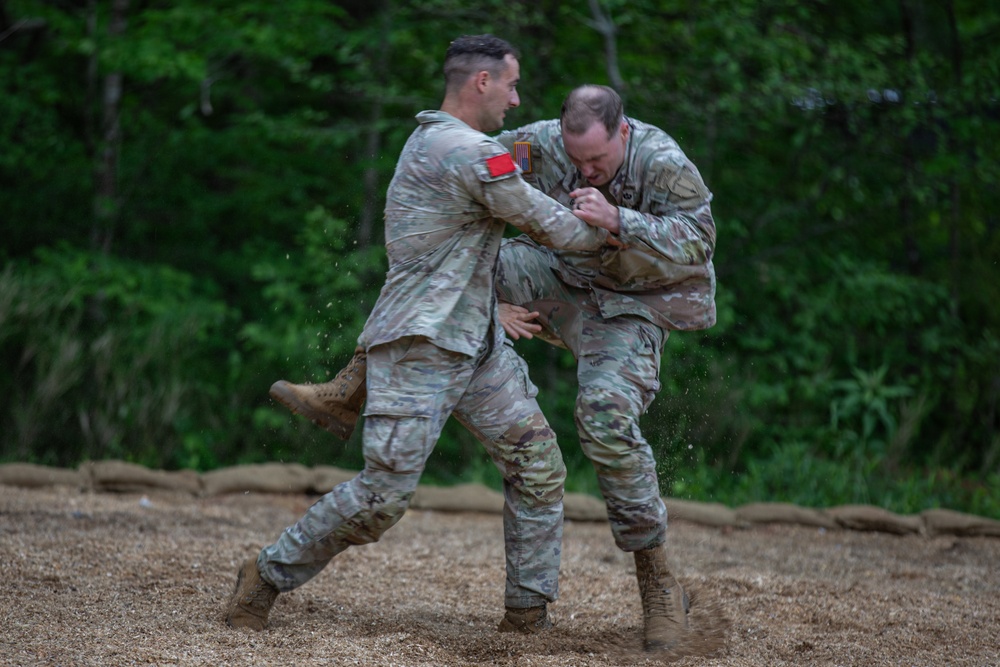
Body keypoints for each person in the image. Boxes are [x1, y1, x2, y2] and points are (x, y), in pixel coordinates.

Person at [271, 85, 717, 651]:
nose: (587, 171)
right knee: (448, 266)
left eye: (598, 162)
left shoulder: (662, 160)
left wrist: (621, 219)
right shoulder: (534, 144)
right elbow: (470, 176)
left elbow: (701, 241)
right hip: (561, 273)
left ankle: (658, 582)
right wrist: (483, 299)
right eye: (577, 160)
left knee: (603, 419)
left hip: (632, 305)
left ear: (623, 134)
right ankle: (347, 388)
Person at [224, 35, 612, 634]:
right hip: (421, 347)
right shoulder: (461, 150)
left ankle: (526, 614)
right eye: (510, 84)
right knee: (383, 499)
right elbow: (548, 224)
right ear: (480, 82)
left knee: (538, 467)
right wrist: (620, 232)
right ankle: (267, 573)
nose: (516, 97)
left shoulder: (449, 143)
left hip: (475, 344)